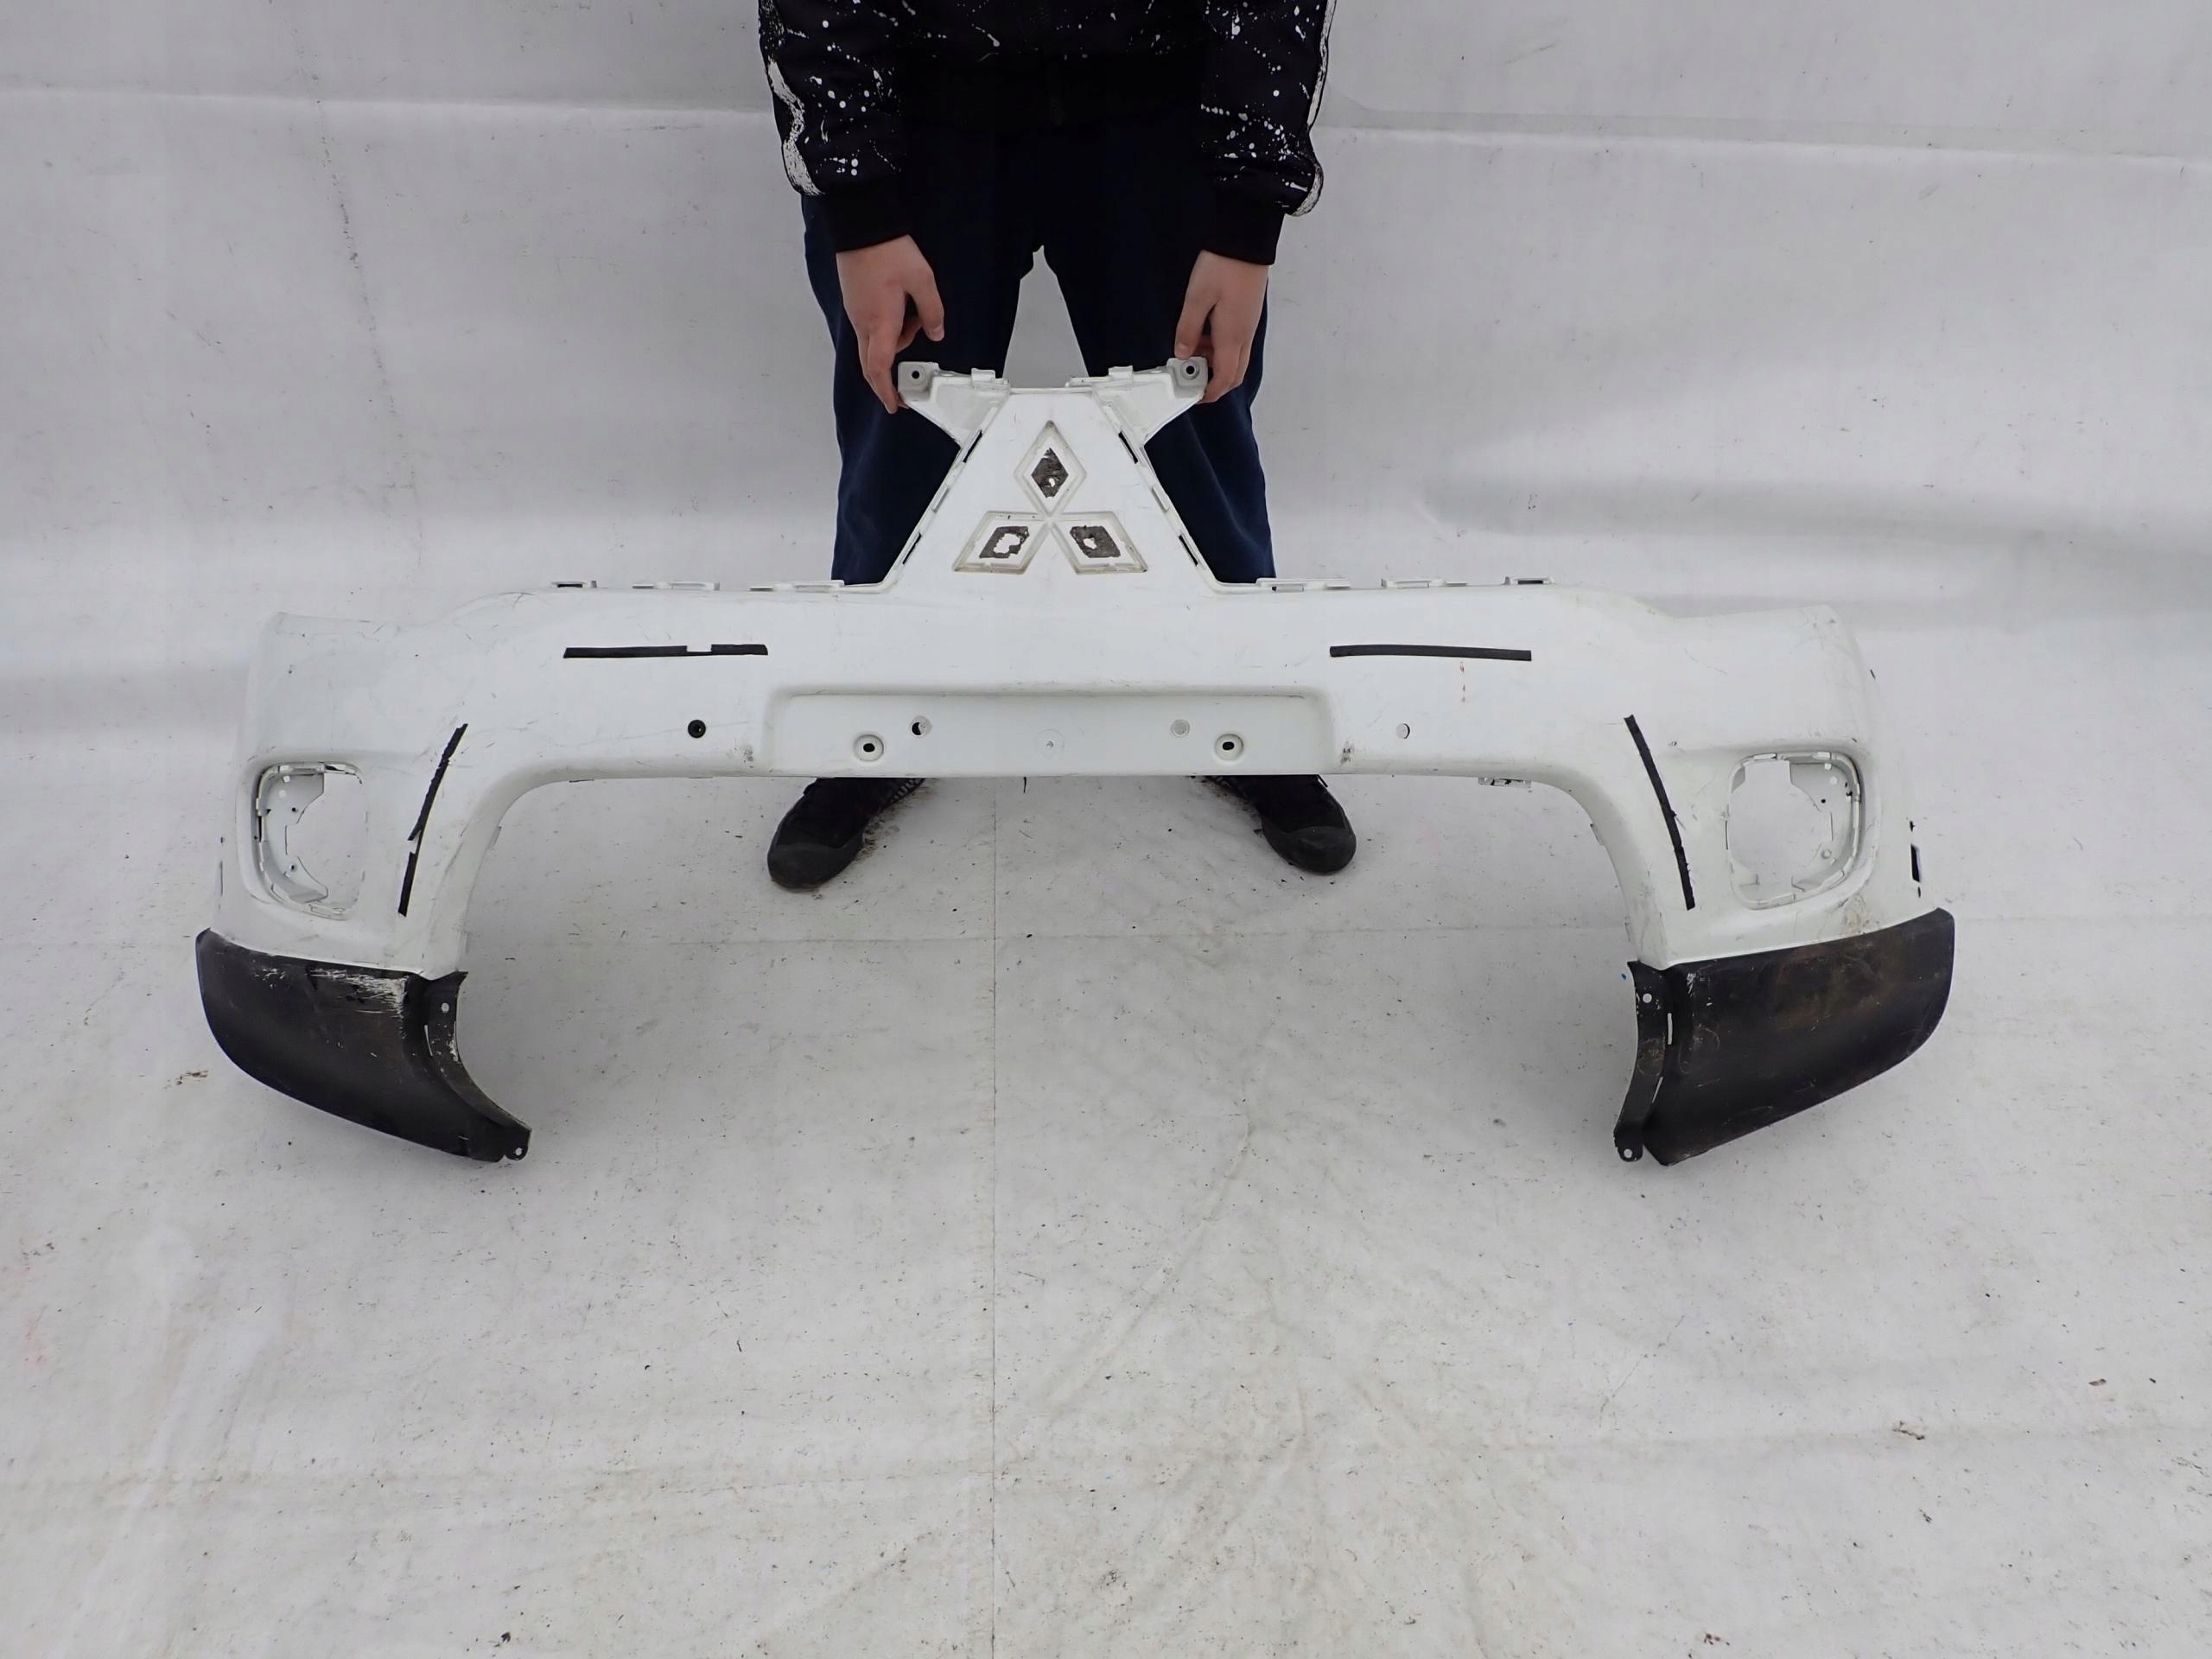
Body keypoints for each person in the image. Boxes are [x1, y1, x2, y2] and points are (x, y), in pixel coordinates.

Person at [754, 0, 1353, 889]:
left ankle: (1248, 708)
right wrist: (860, 200)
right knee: (902, 439)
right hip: (921, 116)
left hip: (1159, 116)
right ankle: (869, 721)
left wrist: (1246, 214)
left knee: (1195, 431)